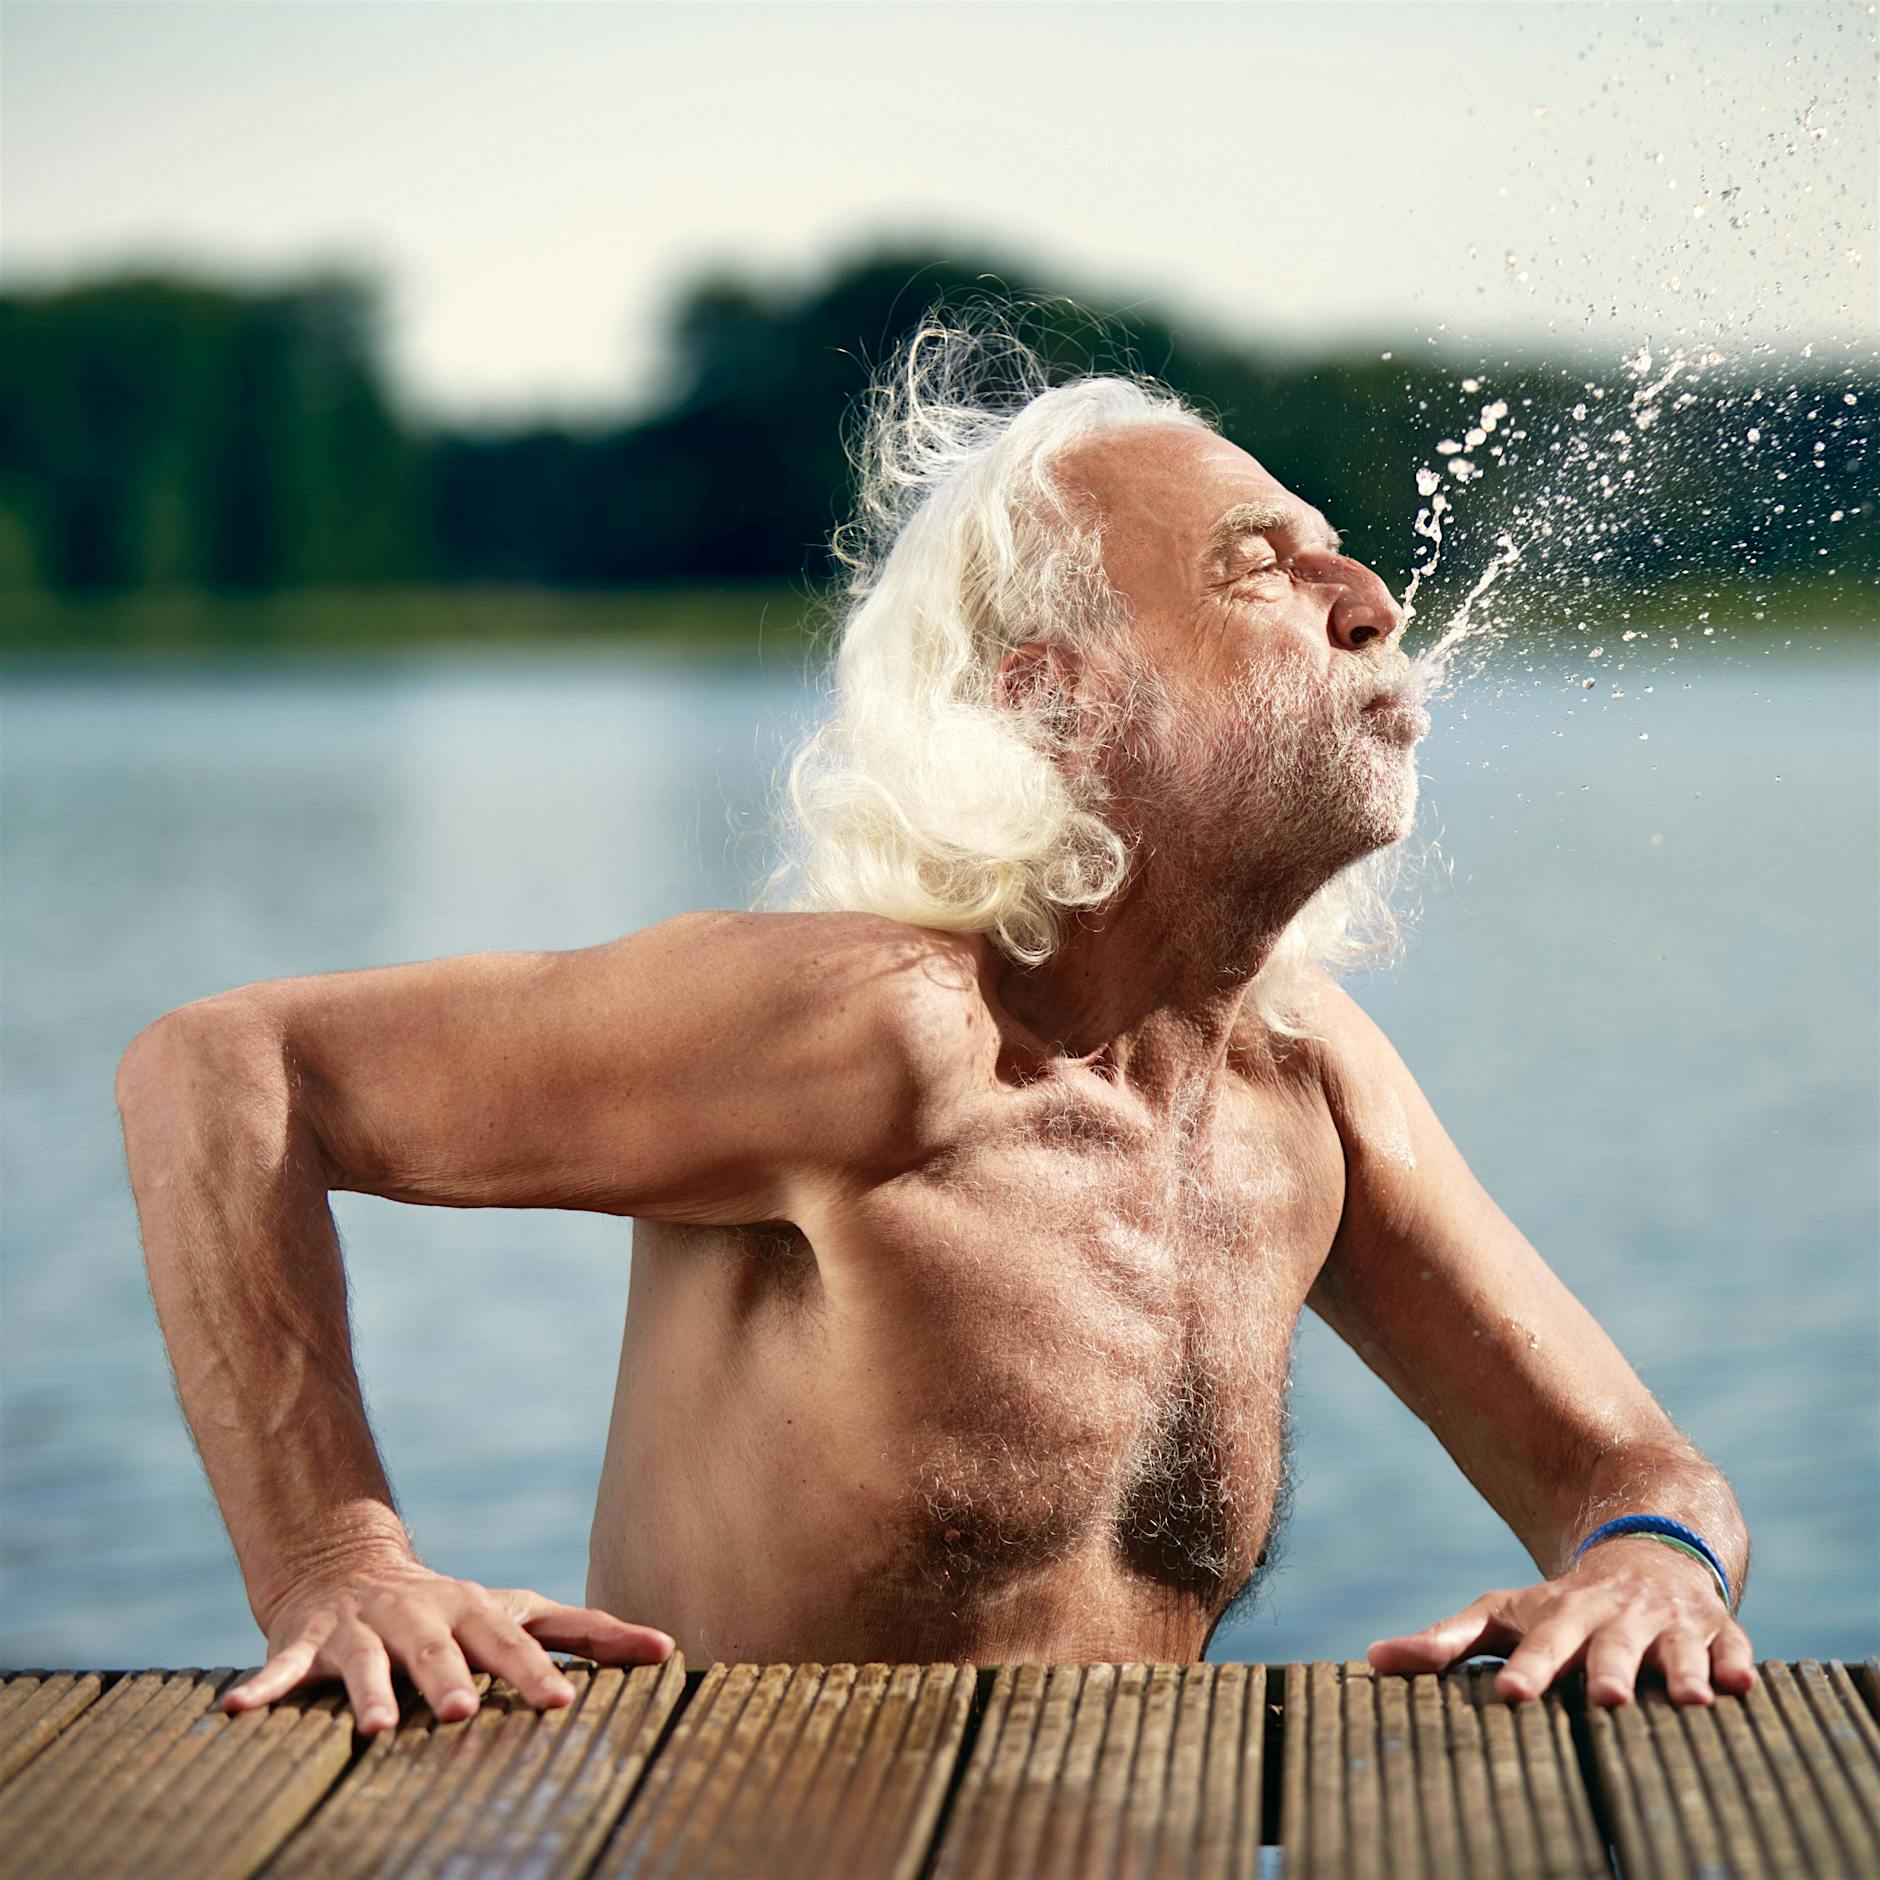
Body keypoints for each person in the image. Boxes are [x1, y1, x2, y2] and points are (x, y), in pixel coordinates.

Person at [115, 318, 1755, 1738]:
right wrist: (340, 1566)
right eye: (1260, 563)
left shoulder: (1300, 1087)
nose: (1373, 598)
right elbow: (221, 1067)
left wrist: (1647, 1572)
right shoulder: (878, 1032)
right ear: (1060, 699)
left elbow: (1635, 1470)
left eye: (1338, 549)